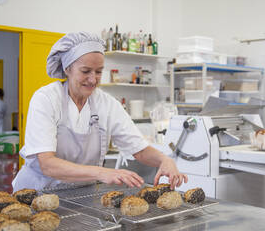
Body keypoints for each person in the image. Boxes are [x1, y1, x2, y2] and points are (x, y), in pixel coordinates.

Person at [12, 32, 188, 192]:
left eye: (98, 72)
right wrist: (101, 172)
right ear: (67, 69)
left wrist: (165, 160)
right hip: (38, 193)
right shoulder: (47, 99)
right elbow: (47, 164)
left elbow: (139, 149)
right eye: (85, 71)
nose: (93, 79)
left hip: (81, 196)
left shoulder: (107, 104)